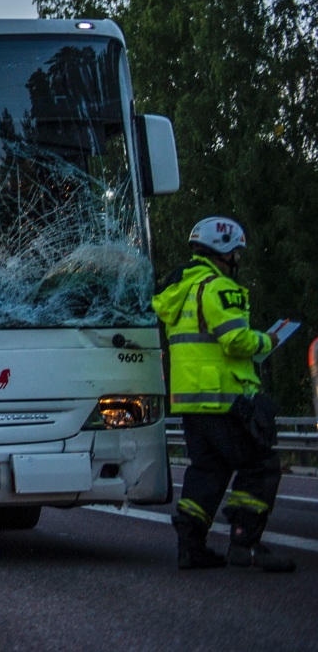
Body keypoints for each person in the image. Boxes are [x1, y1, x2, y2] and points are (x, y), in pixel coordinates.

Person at [153, 216, 295, 572]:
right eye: (237, 253)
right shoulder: (217, 288)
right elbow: (236, 341)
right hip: (224, 397)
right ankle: (245, 544)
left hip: (191, 400)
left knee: (208, 471)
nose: (238, 260)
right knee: (261, 466)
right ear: (225, 252)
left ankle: (191, 549)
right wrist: (269, 339)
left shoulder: (181, 288)